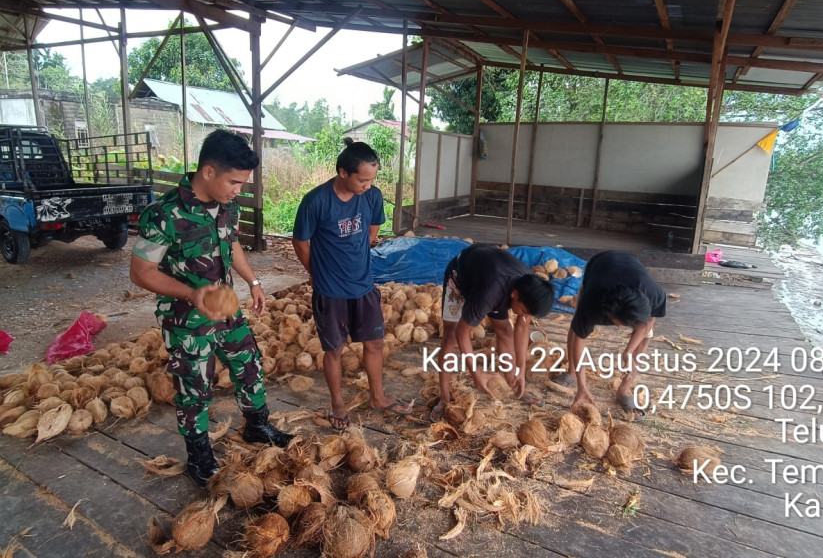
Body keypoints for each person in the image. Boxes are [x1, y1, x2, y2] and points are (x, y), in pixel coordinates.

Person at [130, 129, 293, 487]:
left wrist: (254, 282)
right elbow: (141, 273)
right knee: (194, 387)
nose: (238, 190)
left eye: (242, 184)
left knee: (248, 364)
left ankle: (257, 426)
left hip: (226, 308)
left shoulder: (227, 206)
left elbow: (231, 244)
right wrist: (192, 295)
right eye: (234, 182)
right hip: (186, 320)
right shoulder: (164, 214)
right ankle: (200, 455)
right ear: (208, 172)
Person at [292, 140, 413, 430]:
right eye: (363, 179)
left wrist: (359, 254)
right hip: (330, 290)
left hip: (363, 285)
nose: (368, 185)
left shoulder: (372, 197)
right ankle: (337, 403)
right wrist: (315, 271)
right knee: (334, 350)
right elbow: (300, 242)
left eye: (372, 179)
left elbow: (373, 230)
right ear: (343, 173)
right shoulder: (316, 201)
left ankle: (378, 396)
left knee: (374, 343)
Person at [431, 244, 556, 422]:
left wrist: (520, 369)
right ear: (514, 294)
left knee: (505, 330)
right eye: (524, 310)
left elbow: (522, 326)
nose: (525, 316)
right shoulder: (490, 293)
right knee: (450, 336)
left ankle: (513, 382)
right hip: (460, 276)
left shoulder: (528, 286)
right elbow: (462, 332)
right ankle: (444, 399)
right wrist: (475, 372)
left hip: (489, 275)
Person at [558, 250, 667, 420]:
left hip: (631, 263)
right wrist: (582, 386)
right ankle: (573, 373)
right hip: (600, 264)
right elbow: (580, 338)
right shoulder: (592, 301)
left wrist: (628, 352)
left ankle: (624, 389)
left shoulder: (655, 295)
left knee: (646, 337)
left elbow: (648, 324)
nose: (620, 328)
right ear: (610, 315)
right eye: (620, 324)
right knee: (576, 327)